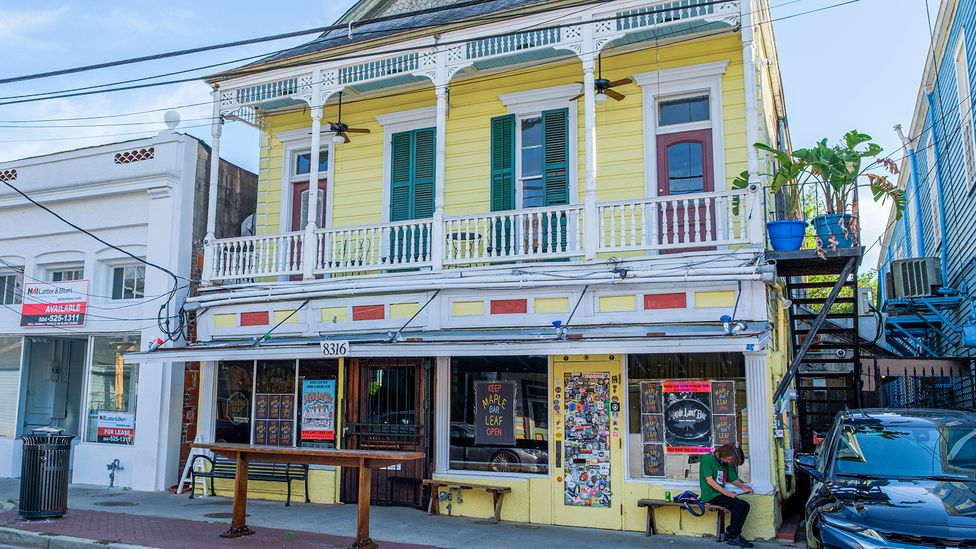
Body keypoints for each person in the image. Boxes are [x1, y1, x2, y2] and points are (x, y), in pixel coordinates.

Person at [699, 444, 754, 547]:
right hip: (710, 495)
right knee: (739, 505)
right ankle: (733, 536)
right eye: (728, 459)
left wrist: (743, 487)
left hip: (720, 494)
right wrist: (727, 493)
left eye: (730, 460)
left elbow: (733, 478)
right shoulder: (707, 459)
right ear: (721, 454)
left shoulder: (726, 463)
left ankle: (732, 534)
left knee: (745, 505)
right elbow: (709, 480)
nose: (728, 462)